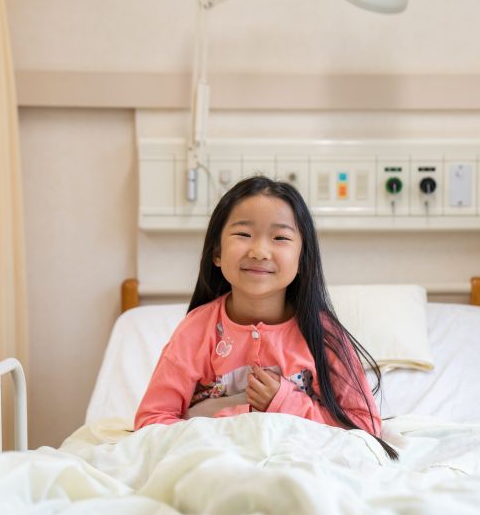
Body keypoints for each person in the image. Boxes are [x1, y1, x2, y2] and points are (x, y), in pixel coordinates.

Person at [134, 176, 397, 459]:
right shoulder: (196, 331)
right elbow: (151, 422)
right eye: (244, 234)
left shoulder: (323, 335)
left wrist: (285, 401)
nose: (259, 251)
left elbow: (365, 426)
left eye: (280, 238)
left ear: (302, 260)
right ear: (217, 253)